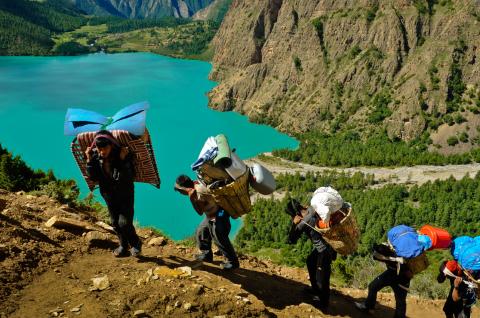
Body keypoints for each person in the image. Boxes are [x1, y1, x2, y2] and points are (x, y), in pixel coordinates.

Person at [85, 130, 142, 257]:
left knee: (124, 223)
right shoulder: (95, 157)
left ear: (111, 145)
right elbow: (93, 177)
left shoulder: (123, 155)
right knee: (115, 223)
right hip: (108, 195)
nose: (102, 152)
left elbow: (126, 178)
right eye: (99, 149)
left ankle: (136, 243)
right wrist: (89, 161)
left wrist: (122, 161)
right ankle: (123, 246)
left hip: (125, 194)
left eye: (105, 148)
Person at [175, 175, 239, 270]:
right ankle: (206, 254)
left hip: (219, 213)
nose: (180, 193)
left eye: (180, 191)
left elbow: (200, 212)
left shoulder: (198, 193)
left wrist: (192, 198)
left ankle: (232, 262)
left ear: (185, 189)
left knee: (219, 236)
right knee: (201, 231)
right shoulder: (197, 183)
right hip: (212, 214)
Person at [286, 199, 336, 310]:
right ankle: (315, 289)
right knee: (310, 261)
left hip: (324, 251)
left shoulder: (304, 222)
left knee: (322, 276)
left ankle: (323, 303)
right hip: (328, 246)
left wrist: (294, 225)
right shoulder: (312, 209)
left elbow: (291, 240)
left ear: (296, 214)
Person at [354, 243, 412, 318]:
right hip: (392, 273)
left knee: (400, 301)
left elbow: (406, 269)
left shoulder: (397, 257)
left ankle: (369, 307)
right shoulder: (390, 251)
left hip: (402, 278)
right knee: (373, 286)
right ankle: (368, 307)